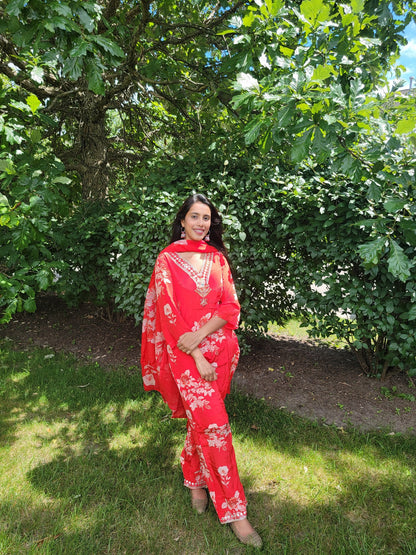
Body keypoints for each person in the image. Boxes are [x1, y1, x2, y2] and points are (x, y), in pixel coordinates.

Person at [141, 193, 262, 548]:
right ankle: (235, 512)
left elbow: (230, 306)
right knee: (216, 426)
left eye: (206, 218)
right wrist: (196, 354)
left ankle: (194, 478)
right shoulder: (167, 260)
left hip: (222, 351)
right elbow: (167, 313)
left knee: (204, 423)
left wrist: (205, 338)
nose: (200, 223)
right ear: (182, 221)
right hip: (188, 357)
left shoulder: (217, 259)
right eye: (194, 216)